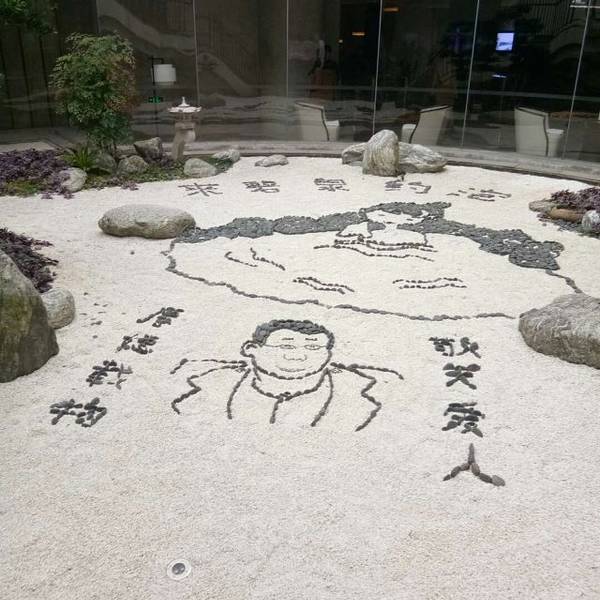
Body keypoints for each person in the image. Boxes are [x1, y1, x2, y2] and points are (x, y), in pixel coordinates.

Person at [170, 319, 402, 432]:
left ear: (329, 354)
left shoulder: (360, 388)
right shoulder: (212, 383)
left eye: (313, 347)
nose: (299, 356)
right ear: (251, 349)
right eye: (286, 346)